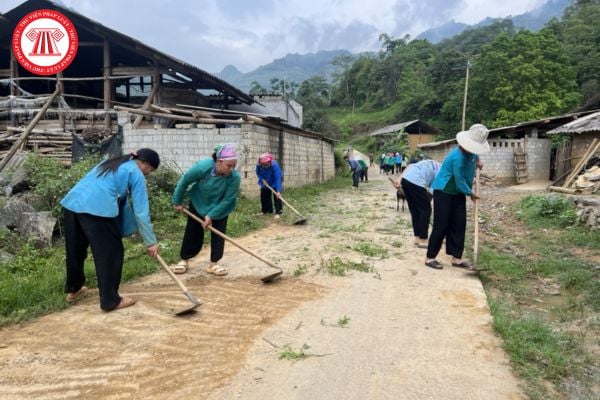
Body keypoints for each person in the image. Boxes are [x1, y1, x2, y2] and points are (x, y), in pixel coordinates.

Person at [60, 148, 161, 311]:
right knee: (111, 253)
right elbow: (141, 212)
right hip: (96, 211)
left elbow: (120, 201)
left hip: (72, 205)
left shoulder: (111, 163)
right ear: (146, 164)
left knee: (75, 251)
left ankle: (74, 289)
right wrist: (151, 242)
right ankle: (110, 300)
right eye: (150, 170)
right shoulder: (136, 173)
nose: (148, 174)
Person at [424, 124, 489, 270]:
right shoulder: (457, 158)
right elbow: (459, 181)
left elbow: (474, 156)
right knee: (442, 225)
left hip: (458, 192)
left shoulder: (471, 152)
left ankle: (456, 258)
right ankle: (430, 258)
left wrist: (478, 161)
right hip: (444, 191)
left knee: (459, 224)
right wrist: (471, 194)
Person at [171, 144, 241, 276]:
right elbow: (184, 182)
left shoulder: (234, 178)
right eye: (229, 166)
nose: (231, 169)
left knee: (219, 234)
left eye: (234, 166)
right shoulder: (202, 167)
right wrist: (177, 201)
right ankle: (184, 259)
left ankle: (214, 263)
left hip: (221, 207)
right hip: (199, 202)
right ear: (219, 162)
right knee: (192, 231)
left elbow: (227, 199)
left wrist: (211, 215)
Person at [394, 159, 441, 248]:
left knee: (415, 210)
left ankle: (417, 237)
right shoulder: (442, 172)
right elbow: (431, 192)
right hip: (416, 182)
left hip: (406, 179)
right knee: (425, 210)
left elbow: (411, 165)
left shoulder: (432, 162)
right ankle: (423, 240)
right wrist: (427, 203)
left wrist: (400, 179)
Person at [256, 152, 283, 219]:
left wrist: (278, 191)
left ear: (270, 162)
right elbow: (258, 173)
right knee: (264, 195)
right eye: (264, 165)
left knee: (277, 196)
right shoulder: (259, 165)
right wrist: (262, 179)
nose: (265, 166)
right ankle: (266, 211)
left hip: (274, 180)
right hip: (265, 180)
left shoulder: (274, 166)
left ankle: (278, 212)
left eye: (267, 164)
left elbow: (278, 178)